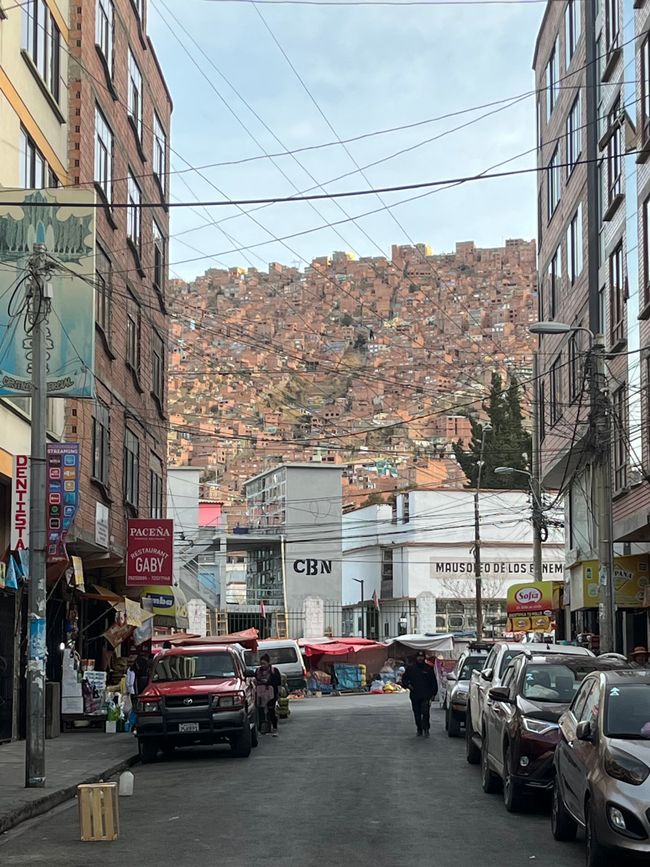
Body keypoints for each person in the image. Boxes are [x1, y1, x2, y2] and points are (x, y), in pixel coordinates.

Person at [401, 650, 438, 737]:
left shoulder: (428, 668)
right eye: (418, 657)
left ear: (424, 658)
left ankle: (426, 729)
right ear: (416, 658)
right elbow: (404, 679)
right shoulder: (411, 668)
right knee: (417, 713)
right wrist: (408, 685)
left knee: (425, 712)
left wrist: (433, 693)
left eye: (422, 657)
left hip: (426, 695)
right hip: (415, 695)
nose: (420, 658)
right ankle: (419, 728)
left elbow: (433, 682)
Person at [255, 653, 281, 736]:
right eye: (261, 663)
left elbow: (278, 682)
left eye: (264, 663)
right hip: (260, 694)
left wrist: (268, 682)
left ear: (268, 663)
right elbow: (255, 680)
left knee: (271, 711)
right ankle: (262, 729)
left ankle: (275, 728)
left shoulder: (274, 671)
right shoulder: (258, 671)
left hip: (271, 694)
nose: (262, 665)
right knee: (260, 711)